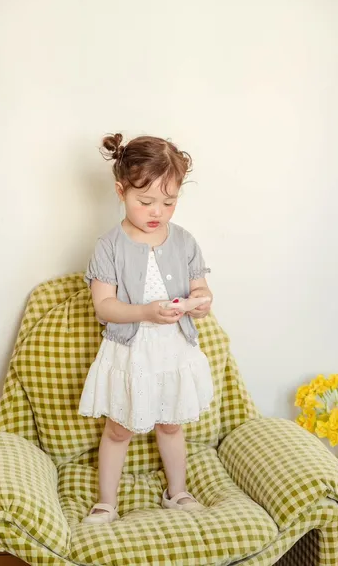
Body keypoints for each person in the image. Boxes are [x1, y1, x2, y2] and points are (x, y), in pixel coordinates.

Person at [79, 133, 214, 524]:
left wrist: (201, 301)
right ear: (121, 191)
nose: (158, 211)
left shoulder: (184, 241)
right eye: (146, 201)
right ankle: (106, 502)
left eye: (169, 202)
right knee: (118, 429)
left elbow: (200, 288)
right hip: (131, 352)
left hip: (172, 350)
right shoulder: (109, 246)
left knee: (171, 425)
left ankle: (178, 492)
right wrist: (146, 313)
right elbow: (104, 306)